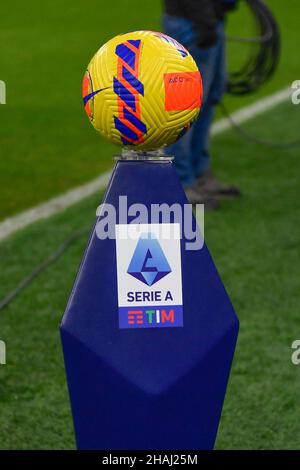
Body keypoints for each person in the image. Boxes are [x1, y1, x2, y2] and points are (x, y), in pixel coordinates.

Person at [163, 0, 241, 208]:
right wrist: (204, 20)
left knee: (209, 98)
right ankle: (180, 184)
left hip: (208, 19)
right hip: (191, 22)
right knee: (184, 108)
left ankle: (199, 176)